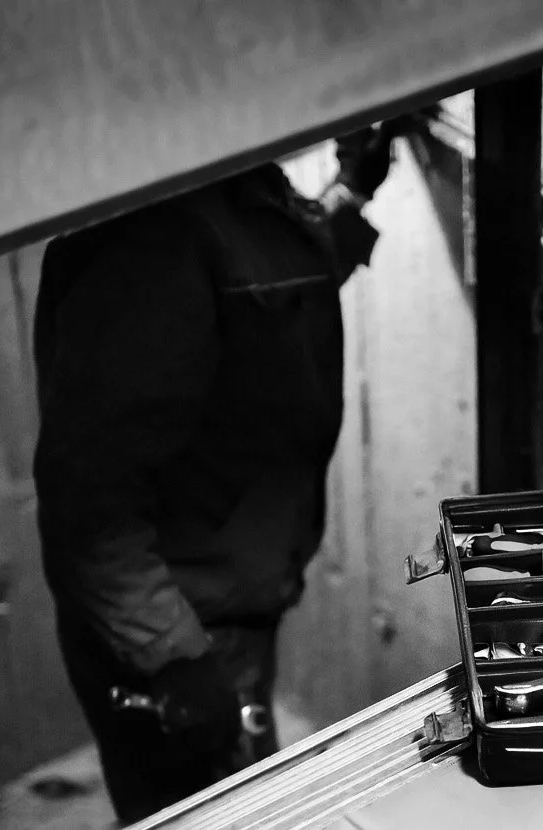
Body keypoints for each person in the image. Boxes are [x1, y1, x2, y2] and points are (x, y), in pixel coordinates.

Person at [31, 124, 401, 824]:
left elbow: (268, 290)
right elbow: (88, 508)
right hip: (176, 624)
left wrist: (351, 190)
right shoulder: (147, 245)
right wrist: (175, 661)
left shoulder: (235, 188)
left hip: (224, 602)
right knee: (208, 810)